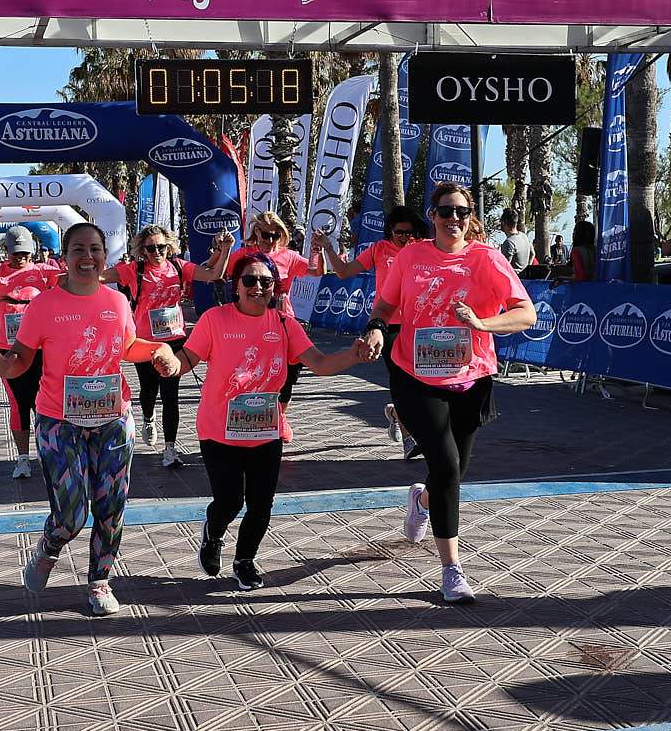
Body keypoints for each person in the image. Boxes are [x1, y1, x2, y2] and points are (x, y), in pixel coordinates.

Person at [0, 222, 181, 616]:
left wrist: (160, 350)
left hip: (113, 419)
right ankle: (49, 546)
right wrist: (4, 366)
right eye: (78, 250)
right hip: (59, 420)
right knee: (71, 515)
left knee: (111, 507)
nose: (88, 257)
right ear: (64, 257)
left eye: (95, 249)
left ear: (105, 254)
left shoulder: (117, 300)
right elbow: (21, 359)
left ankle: (100, 581)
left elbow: (128, 346)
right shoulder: (44, 305)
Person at [361, 183, 536, 602]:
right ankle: (452, 570)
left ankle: (422, 501)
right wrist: (377, 329)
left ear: (470, 216)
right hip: (415, 375)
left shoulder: (486, 258)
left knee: (451, 472)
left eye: (461, 212)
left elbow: (525, 313)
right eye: (445, 211)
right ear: (433, 215)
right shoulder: (412, 256)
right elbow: (385, 305)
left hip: (470, 379)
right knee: (446, 464)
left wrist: (482, 324)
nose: (452, 219)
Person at [174, 251, 369, 589]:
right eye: (249, 280)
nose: (258, 287)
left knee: (261, 504)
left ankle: (244, 560)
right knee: (229, 501)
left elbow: (320, 363)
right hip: (219, 431)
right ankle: (213, 532)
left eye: (266, 281)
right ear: (236, 285)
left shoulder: (284, 324)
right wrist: (169, 362)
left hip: (266, 431)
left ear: (275, 286)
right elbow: (186, 359)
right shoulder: (215, 320)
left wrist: (353, 355)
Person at [111, 224, 225, 468]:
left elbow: (214, 274)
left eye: (161, 247)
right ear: (143, 250)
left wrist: (225, 250)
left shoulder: (179, 266)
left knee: (170, 395)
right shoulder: (134, 270)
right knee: (148, 391)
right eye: (151, 248)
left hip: (174, 340)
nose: (157, 252)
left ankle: (170, 449)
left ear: (169, 246)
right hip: (145, 343)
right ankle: (148, 417)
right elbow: (100, 277)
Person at [316, 206, 425, 454]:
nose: (404, 237)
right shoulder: (379, 249)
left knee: (419, 381)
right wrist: (328, 247)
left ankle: (396, 412)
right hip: (386, 324)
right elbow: (344, 272)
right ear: (390, 230)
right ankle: (409, 439)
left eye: (409, 232)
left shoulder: (421, 248)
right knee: (400, 379)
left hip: (417, 323)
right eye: (399, 232)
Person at [0, 227, 58, 479]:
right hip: (8, 349)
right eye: (16, 253)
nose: (21, 258)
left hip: (40, 348)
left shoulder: (43, 271)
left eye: (25, 253)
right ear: (7, 251)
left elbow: (77, 280)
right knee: (19, 403)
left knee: (44, 402)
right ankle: (23, 459)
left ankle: (47, 453)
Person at [211, 213, 312, 403]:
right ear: (257, 232)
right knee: (253, 370)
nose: (270, 240)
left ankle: (280, 417)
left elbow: (317, 270)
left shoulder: (288, 255)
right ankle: (251, 412)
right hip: (250, 321)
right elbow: (218, 272)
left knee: (286, 377)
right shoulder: (244, 254)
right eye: (266, 235)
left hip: (282, 320)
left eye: (276, 236)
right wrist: (222, 249)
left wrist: (320, 250)